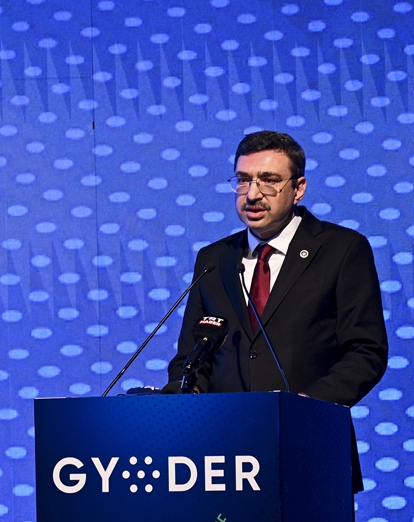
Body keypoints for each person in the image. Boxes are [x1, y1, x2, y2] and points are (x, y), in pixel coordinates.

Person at [166, 130, 388, 407]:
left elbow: (366, 352)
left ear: (299, 189)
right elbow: (190, 358)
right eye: (243, 180)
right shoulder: (213, 259)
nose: (252, 194)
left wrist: (306, 405)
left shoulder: (341, 249)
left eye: (269, 181)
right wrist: (191, 399)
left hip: (308, 425)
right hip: (226, 429)